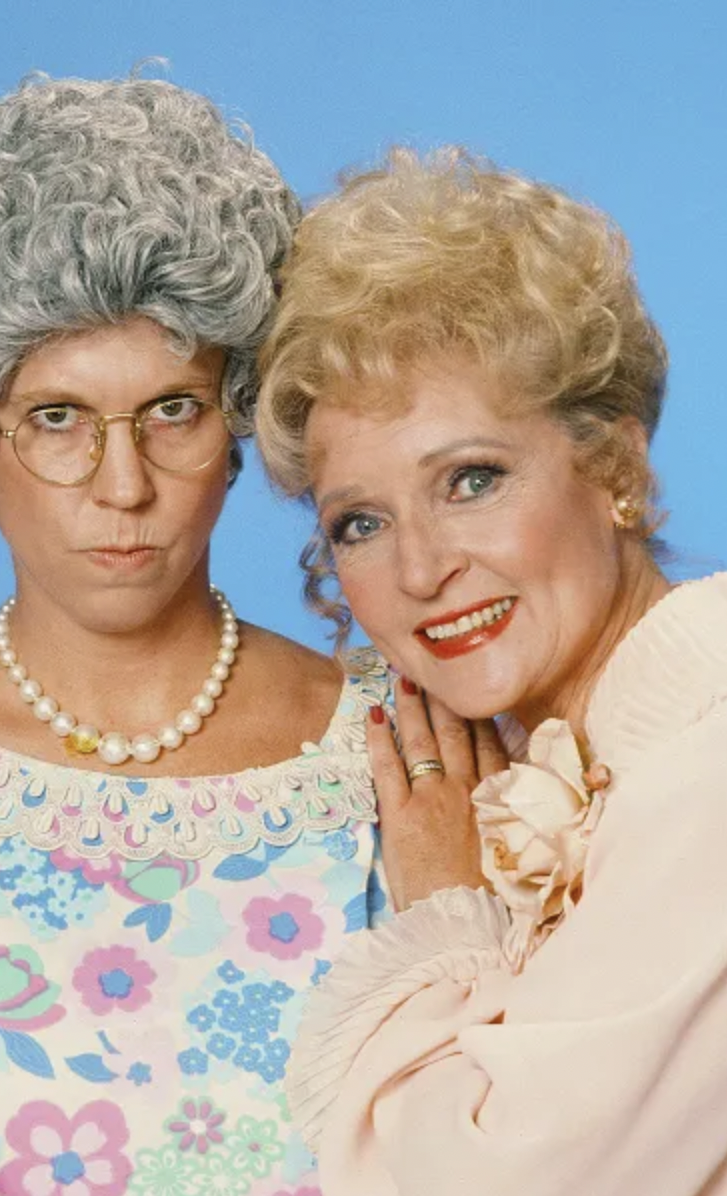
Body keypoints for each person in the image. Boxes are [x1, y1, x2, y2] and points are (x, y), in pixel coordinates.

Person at [0, 75, 392, 1193]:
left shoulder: (398, 746)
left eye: (172, 410)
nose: (123, 483)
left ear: (240, 417)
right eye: (55, 416)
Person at [260, 148, 726, 1195]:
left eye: (471, 478)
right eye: (361, 522)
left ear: (614, 464)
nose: (421, 567)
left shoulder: (708, 758)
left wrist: (446, 920)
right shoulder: (588, 756)